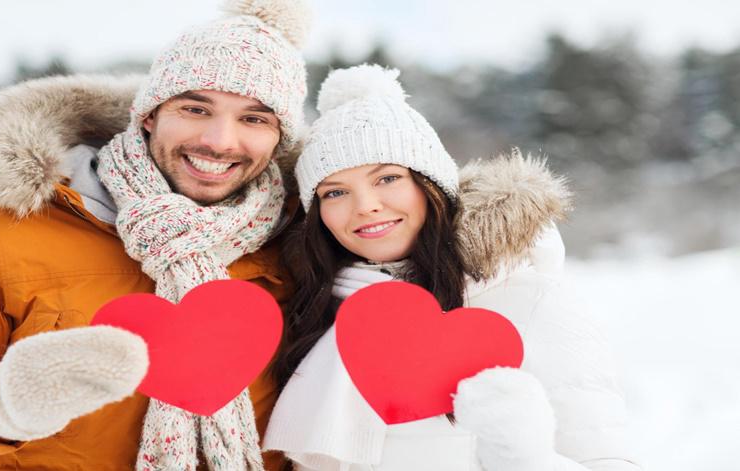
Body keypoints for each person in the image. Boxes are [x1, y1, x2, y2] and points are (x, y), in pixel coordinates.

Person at [0, 1, 311, 470]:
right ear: (148, 115)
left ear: (280, 137)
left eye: (255, 119)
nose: (219, 140)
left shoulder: (305, 239)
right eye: (195, 108)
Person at [263, 65, 642, 470]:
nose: (365, 205)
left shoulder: (532, 301)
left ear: (431, 186)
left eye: (388, 178)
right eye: (335, 192)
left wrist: (528, 460)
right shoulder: (318, 313)